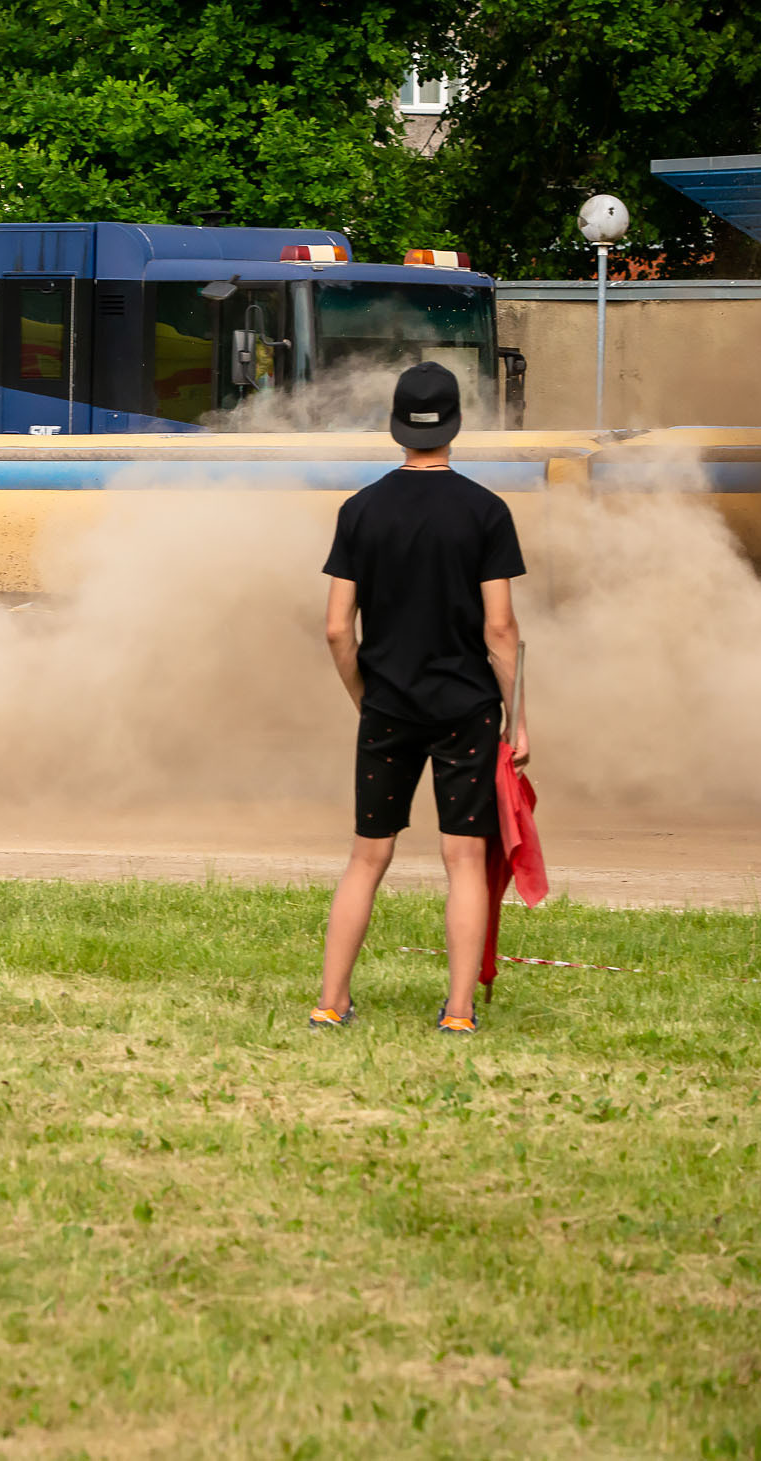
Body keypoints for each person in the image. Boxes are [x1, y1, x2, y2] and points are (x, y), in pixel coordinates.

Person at [314, 361, 529, 1036]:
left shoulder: (361, 509)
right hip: (466, 708)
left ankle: (331, 1002)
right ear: (456, 426)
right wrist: (517, 718)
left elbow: (335, 628)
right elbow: (500, 629)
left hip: (388, 708)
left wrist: (365, 696)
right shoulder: (487, 512)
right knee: (463, 857)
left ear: (397, 427)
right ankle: (459, 1013)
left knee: (367, 855)